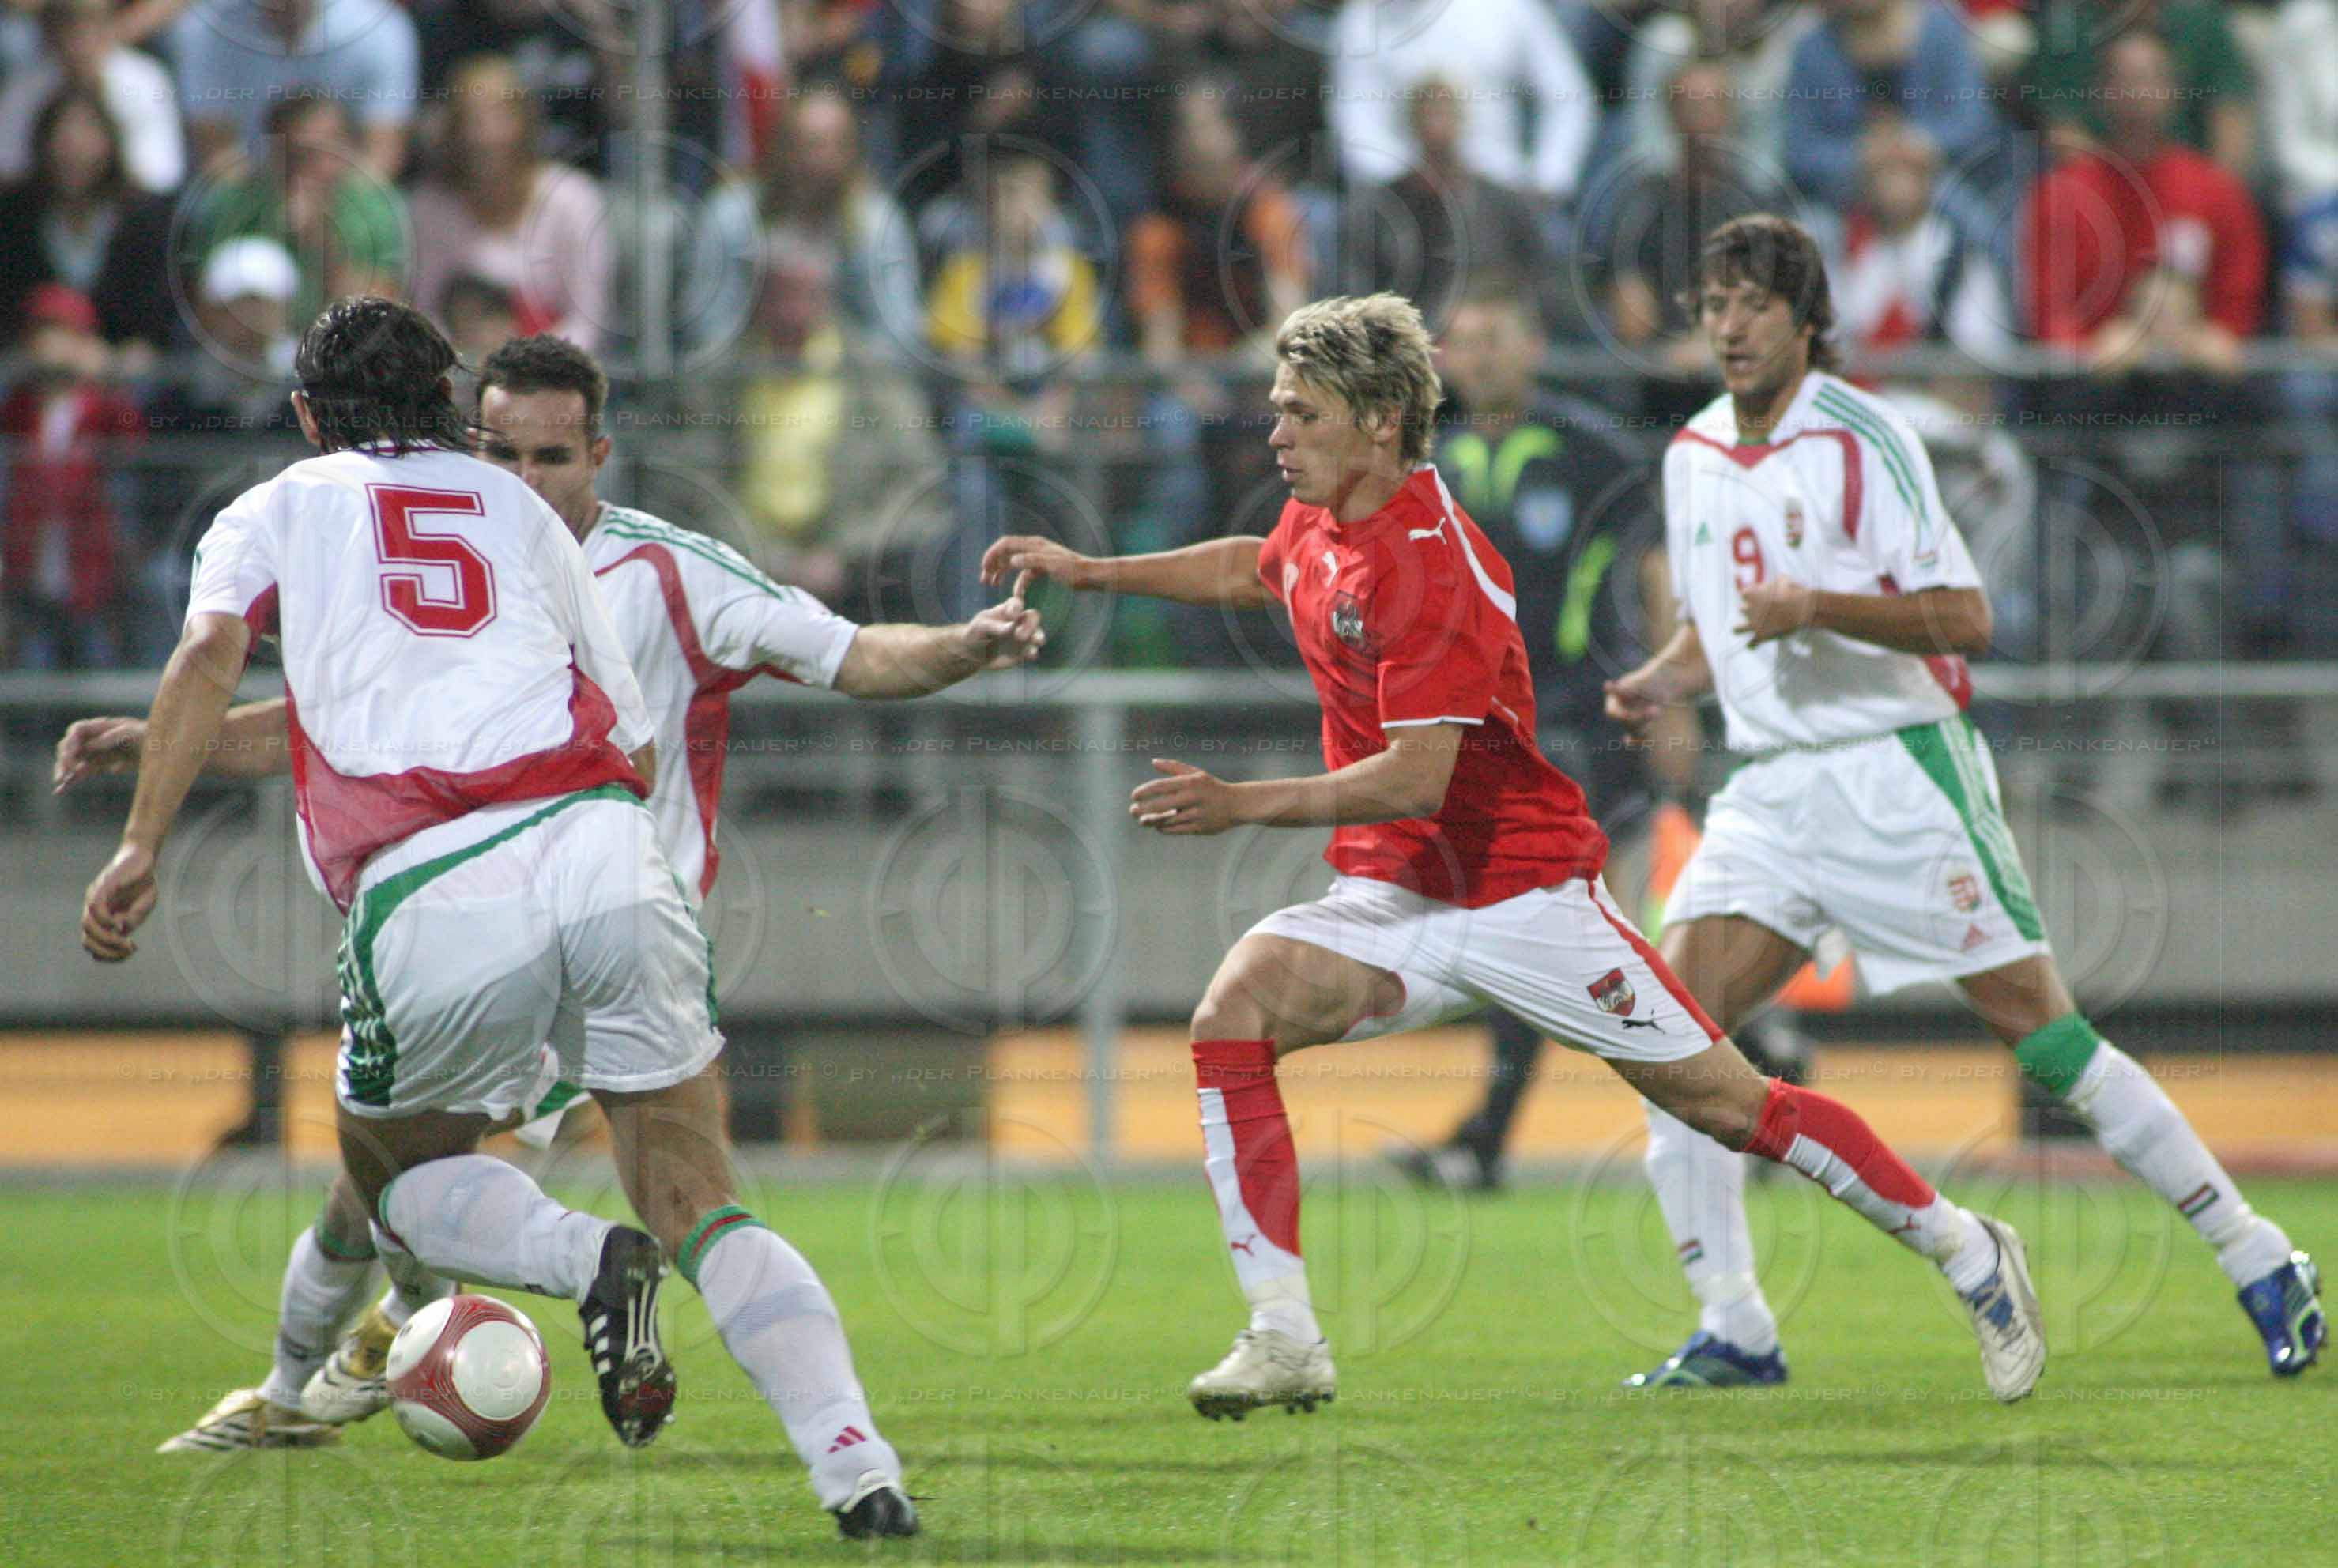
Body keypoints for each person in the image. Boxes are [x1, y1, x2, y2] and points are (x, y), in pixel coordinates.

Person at [982, 291, 2050, 1415]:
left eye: (1299, 411)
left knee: (1732, 1108)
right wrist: (1095, 571)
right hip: (1397, 893)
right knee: (1232, 1012)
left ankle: (1965, 1247)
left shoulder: (1429, 561)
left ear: (1380, 418)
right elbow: (1258, 563)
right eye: (1274, 410)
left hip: (1521, 896)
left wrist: (1242, 802)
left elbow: (1415, 778)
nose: (1275, 432)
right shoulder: (1329, 517)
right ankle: (1282, 1332)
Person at [70, 300, 936, 1537]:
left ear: (311, 414)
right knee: (699, 1191)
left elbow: (210, 656)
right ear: (446, 407)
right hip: (604, 847)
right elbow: (628, 734)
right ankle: (858, 1470)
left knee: (397, 1186)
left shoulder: (273, 509)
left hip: (429, 882)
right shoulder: (531, 516)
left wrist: (140, 841)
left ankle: (585, 1266)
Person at [1601, 213, 2323, 1389]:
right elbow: (1718, 621)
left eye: (1752, 306)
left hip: (1896, 771)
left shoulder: (1861, 436)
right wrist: (1663, 675)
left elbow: (1964, 616)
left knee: (2043, 1037)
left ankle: (2257, 1255)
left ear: (1805, 320)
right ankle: (1734, 1324)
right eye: (1713, 304)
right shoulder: (1689, 454)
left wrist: (1820, 605)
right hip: (1773, 787)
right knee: (1670, 1045)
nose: (1728, 327)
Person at [1393, 280, 1696, 1189]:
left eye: (1495, 336)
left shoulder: (1591, 447)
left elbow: (1652, 564)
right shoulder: (1421, 460)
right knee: (1558, 929)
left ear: (1531, 346)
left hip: (1582, 722)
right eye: (1464, 341)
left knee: (1538, 920)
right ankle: (1764, 1058)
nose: (1478, 357)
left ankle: (1484, 1141)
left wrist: (1673, 692)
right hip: (1475, 733)